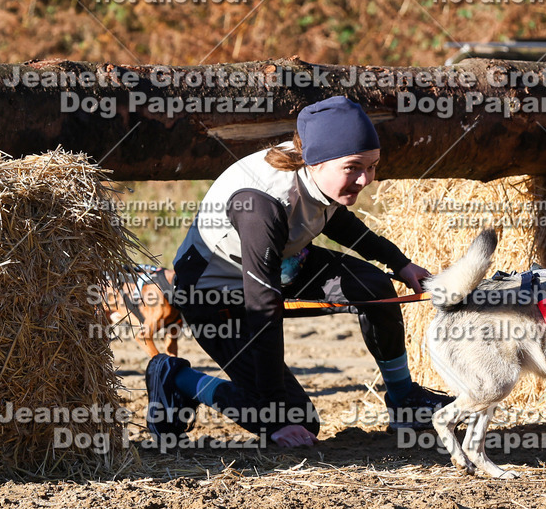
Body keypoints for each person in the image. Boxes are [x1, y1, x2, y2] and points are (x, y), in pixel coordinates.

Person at [145, 96, 451, 448]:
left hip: (279, 262)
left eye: (372, 166)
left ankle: (404, 400)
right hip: (214, 294)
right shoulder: (262, 205)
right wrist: (275, 416)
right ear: (315, 162)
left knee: (375, 287)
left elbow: (334, 218)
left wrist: (398, 262)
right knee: (297, 420)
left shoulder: (318, 162)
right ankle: (175, 377)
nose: (366, 179)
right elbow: (263, 308)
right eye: (354, 167)